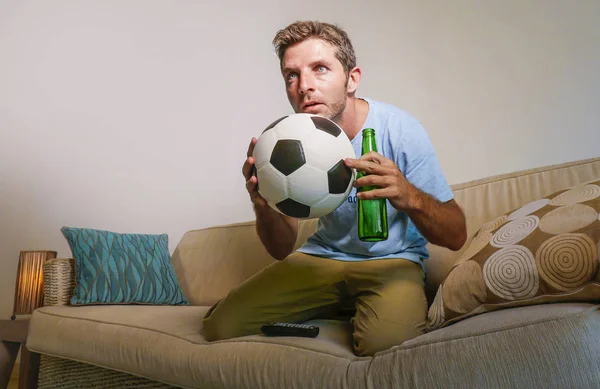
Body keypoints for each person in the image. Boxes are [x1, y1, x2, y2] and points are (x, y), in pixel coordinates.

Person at [203, 20, 467, 356]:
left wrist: (409, 195)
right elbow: (281, 247)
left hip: (390, 262)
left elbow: (456, 235)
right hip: (322, 258)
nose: (304, 86)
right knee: (218, 327)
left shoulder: (399, 130)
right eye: (292, 75)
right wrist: (262, 204)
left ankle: (359, 306)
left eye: (320, 69)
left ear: (352, 78)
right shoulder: (283, 142)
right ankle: (337, 303)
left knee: (383, 345)